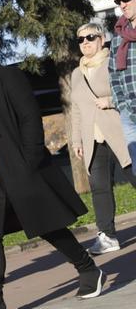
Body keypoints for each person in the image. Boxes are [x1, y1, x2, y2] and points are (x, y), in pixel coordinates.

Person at [0, 21, 104, 308]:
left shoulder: (8, 77)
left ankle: (88, 268)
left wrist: (28, 163)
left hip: (14, 170)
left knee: (46, 224)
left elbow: (30, 119)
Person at [70, 22, 136, 254]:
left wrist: (110, 101)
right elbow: (76, 109)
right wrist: (76, 140)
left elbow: (127, 90)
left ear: (102, 39)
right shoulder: (76, 73)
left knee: (134, 175)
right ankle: (107, 236)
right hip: (93, 138)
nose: (85, 43)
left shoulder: (113, 61)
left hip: (118, 130)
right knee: (99, 188)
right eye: (81, 39)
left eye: (90, 37)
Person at [107, 0, 136, 172]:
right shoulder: (119, 38)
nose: (122, 4)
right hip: (130, 114)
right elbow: (113, 73)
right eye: (118, 1)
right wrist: (122, 106)